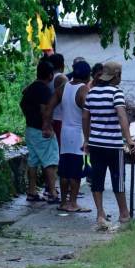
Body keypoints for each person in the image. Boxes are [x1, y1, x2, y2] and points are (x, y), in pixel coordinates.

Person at [83, 61, 135, 230]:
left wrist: (87, 139)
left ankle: (100, 214)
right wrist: (129, 140)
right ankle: (124, 214)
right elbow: (122, 117)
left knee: (97, 179)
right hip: (113, 145)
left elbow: (85, 118)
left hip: (96, 144)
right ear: (117, 75)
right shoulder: (116, 93)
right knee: (118, 179)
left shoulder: (91, 93)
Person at [52, 60, 92, 213]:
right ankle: (73, 203)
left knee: (64, 169)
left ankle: (63, 202)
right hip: (78, 134)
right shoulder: (84, 91)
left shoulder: (63, 87)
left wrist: (47, 125)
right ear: (88, 76)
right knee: (75, 171)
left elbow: (49, 106)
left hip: (64, 131)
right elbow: (88, 116)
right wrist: (88, 137)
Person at [20, 59, 60, 203]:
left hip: (30, 129)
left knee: (33, 161)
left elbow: (23, 103)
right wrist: (47, 127)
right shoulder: (44, 90)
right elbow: (45, 111)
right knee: (50, 161)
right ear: (50, 75)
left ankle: (31, 192)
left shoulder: (30, 88)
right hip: (41, 131)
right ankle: (53, 194)